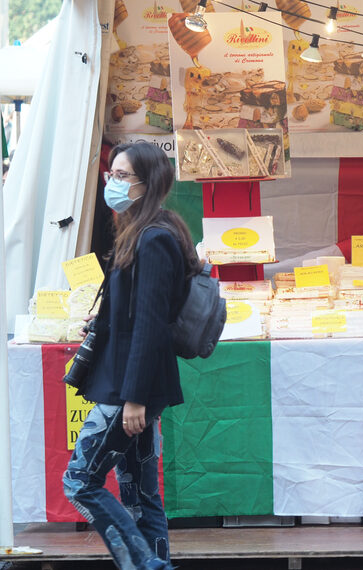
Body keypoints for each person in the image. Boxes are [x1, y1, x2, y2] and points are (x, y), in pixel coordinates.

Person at [63, 142, 200, 570]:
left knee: (80, 481)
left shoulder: (155, 238)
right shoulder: (140, 231)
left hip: (131, 386)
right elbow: (134, 313)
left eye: (123, 177)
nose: (113, 184)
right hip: (131, 381)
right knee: (140, 496)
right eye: (112, 175)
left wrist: (135, 397)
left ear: (149, 183)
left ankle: (146, 563)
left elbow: (151, 324)